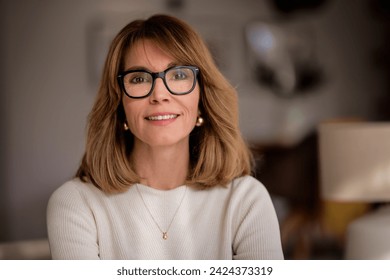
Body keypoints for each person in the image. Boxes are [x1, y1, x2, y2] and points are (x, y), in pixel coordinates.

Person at [47, 14, 284, 260]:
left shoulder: (246, 200)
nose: (159, 94)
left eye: (179, 75)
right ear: (119, 103)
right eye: (138, 78)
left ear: (202, 98)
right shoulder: (75, 203)